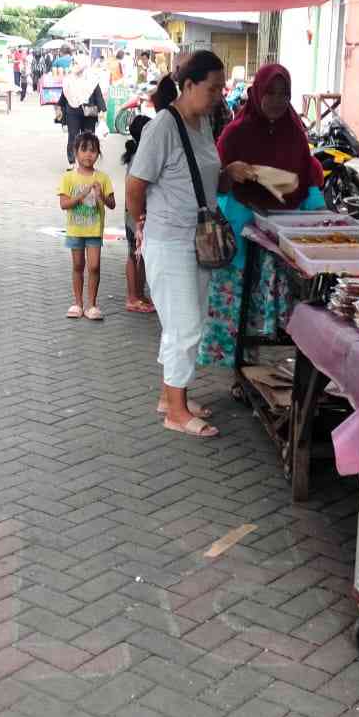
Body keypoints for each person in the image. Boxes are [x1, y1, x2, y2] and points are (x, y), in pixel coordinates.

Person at [127, 51, 256, 437]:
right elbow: (135, 185)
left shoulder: (202, 124)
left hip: (198, 240)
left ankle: (170, 397)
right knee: (185, 326)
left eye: (221, 88)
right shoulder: (163, 127)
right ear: (188, 85)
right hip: (169, 242)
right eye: (213, 87)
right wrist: (142, 223)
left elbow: (206, 181)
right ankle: (177, 412)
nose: (219, 95)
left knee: (185, 323)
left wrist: (230, 173)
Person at [199, 63, 327, 368]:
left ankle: (255, 370)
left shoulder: (295, 133)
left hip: (279, 234)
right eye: (271, 92)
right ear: (258, 93)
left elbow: (306, 177)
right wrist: (231, 173)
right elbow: (216, 182)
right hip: (241, 231)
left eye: (284, 94)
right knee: (235, 304)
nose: (277, 100)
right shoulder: (235, 133)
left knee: (264, 305)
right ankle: (237, 370)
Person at [59, 132, 115, 321]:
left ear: (98, 154)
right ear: (75, 152)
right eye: (84, 150)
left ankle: (92, 304)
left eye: (93, 151)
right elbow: (63, 204)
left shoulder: (103, 178)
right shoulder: (68, 178)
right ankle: (77, 303)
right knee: (77, 265)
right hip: (75, 230)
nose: (88, 155)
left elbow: (112, 203)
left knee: (94, 266)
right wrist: (80, 196)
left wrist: (101, 196)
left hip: (94, 230)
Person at [123, 116, 156, 314]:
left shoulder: (139, 155)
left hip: (139, 213)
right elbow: (134, 191)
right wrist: (138, 217)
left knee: (140, 255)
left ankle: (139, 294)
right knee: (133, 254)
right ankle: (132, 296)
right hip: (135, 214)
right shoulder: (139, 159)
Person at [59, 55, 106, 166]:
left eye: (77, 63)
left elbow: (98, 95)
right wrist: (59, 108)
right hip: (72, 111)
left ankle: (88, 161)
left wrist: (102, 111)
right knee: (73, 136)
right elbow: (64, 95)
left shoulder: (92, 78)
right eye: (73, 63)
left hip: (89, 112)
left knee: (88, 137)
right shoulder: (69, 79)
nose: (74, 65)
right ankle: (72, 162)